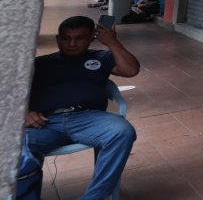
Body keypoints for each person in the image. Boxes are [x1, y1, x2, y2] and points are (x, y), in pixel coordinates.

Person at [20, 15, 140, 200]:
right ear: (58, 39)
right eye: (66, 38)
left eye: (80, 38)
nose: (72, 44)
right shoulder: (39, 63)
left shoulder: (101, 58)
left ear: (92, 37)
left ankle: (93, 197)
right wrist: (24, 113)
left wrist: (111, 42)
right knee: (15, 146)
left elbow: (131, 70)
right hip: (45, 123)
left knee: (122, 131)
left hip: (89, 118)